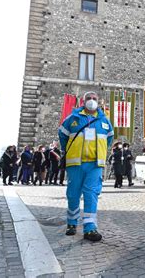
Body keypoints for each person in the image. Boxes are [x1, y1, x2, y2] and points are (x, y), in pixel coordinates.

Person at [59, 91, 113, 242]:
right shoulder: (72, 119)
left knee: (91, 195)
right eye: (88, 98)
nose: (91, 101)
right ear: (83, 101)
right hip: (75, 163)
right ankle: (72, 223)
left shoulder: (104, 121)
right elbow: (62, 135)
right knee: (73, 194)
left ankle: (90, 228)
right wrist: (69, 150)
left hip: (95, 165)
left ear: (98, 102)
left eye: (94, 99)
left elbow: (109, 138)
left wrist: (100, 152)